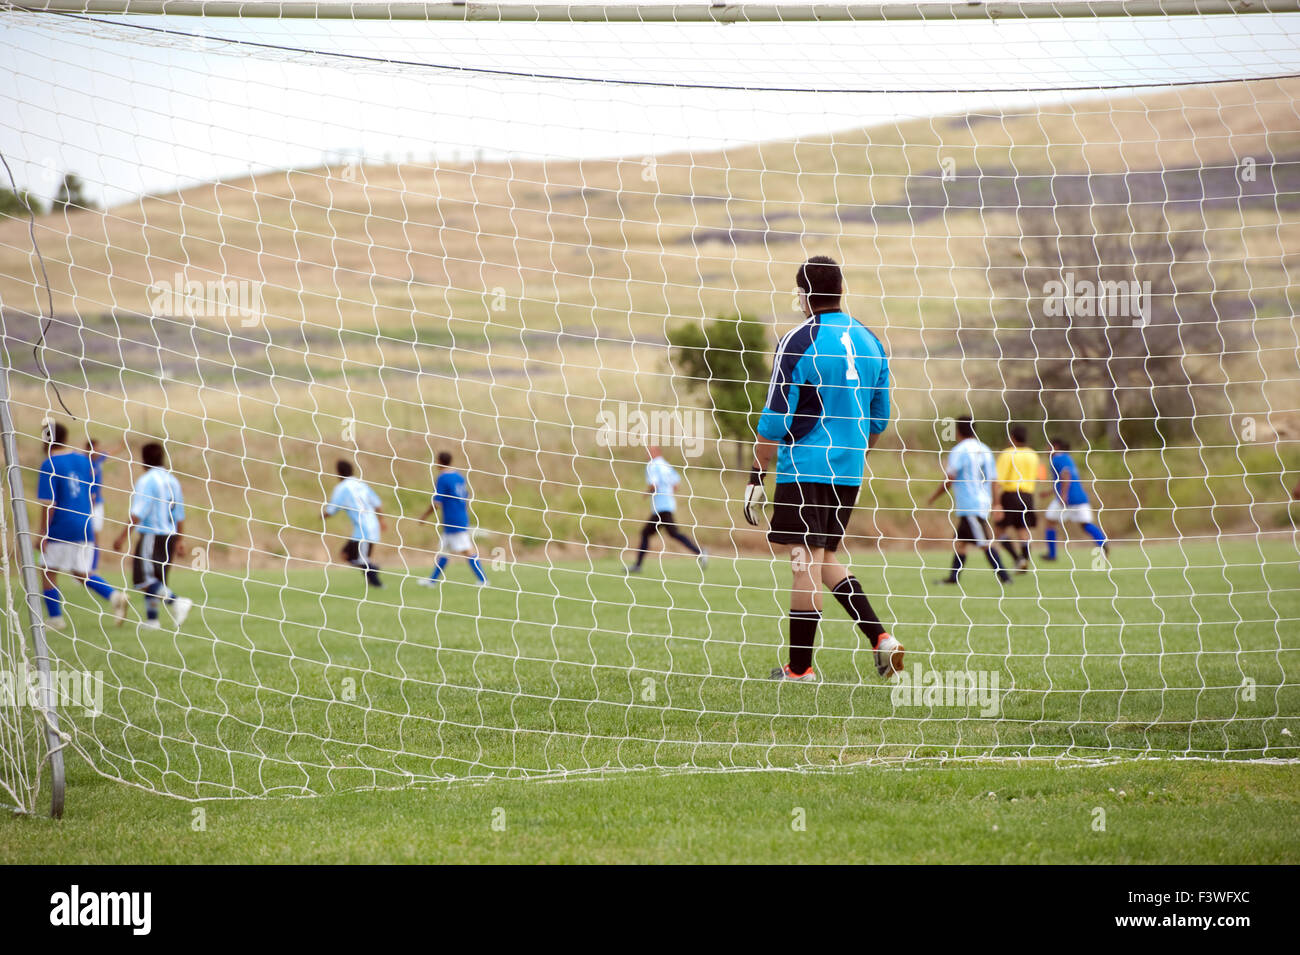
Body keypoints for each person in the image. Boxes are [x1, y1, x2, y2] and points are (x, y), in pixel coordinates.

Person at [742, 255, 903, 683]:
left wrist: (757, 475)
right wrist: (853, 455)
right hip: (848, 471)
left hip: (805, 468)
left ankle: (799, 669)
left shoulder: (797, 340)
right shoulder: (870, 340)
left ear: (804, 294)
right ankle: (880, 638)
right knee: (823, 556)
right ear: (841, 289)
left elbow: (774, 420)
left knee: (802, 563)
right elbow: (878, 419)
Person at [36, 422, 127, 629]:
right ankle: (114, 597)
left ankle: (56, 618)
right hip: (85, 524)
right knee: (81, 572)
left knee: (48, 570)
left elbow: (49, 503)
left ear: (45, 438)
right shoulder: (83, 460)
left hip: (61, 526)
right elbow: (92, 495)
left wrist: (43, 532)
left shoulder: (49, 464)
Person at [112, 442, 193, 629]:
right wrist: (180, 539)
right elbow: (179, 514)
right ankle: (152, 620)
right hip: (170, 536)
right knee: (156, 579)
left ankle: (177, 602)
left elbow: (138, 512)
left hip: (152, 535)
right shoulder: (172, 480)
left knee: (143, 579)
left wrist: (122, 537)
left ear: (144, 459)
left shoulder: (147, 481)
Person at [926, 415, 1011, 585]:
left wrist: (934, 496)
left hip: (970, 504)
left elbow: (950, 477)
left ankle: (1005, 577)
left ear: (957, 430)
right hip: (982, 502)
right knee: (960, 543)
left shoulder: (959, 450)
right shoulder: (985, 449)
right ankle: (953, 578)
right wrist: (996, 503)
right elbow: (994, 481)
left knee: (984, 542)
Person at [625, 445, 706, 574]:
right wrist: (667, 492)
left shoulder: (652, 465)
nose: (647, 455)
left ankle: (638, 565)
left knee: (646, 533)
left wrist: (647, 493)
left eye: (649, 452)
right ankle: (699, 552)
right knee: (672, 533)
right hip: (668, 505)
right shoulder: (666, 465)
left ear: (656, 452)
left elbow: (654, 485)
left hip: (660, 508)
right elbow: (676, 484)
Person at [418, 451, 487, 586]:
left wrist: (424, 516)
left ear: (438, 461)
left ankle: (483, 579)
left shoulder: (443, 478)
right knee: (444, 551)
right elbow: (465, 497)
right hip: (460, 517)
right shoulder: (459, 476)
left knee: (467, 550)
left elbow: (437, 502)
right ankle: (432, 581)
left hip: (453, 520)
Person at [1042, 437, 1108, 559]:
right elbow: (1062, 480)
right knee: (1085, 524)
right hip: (1081, 497)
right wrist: (1049, 492)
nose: (1046, 449)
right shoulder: (1067, 458)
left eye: (1048, 446)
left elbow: (1066, 475)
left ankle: (1052, 554)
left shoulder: (1057, 458)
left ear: (1055, 447)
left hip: (1066, 499)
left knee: (1049, 521)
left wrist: (1064, 495)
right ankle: (1103, 542)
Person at [324, 459, 384, 588]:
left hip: (364, 529)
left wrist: (322, 515)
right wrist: (382, 521)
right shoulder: (361, 484)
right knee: (347, 555)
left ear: (338, 473)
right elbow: (377, 503)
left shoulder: (342, 487)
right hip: (370, 526)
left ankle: (377, 580)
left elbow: (331, 509)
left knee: (361, 560)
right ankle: (373, 577)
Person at [992, 424, 1039, 573]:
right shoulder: (1033, 454)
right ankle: (1024, 561)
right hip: (1028, 496)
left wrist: (996, 503)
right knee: (1023, 530)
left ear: (1012, 438)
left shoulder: (1008, 454)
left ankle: (1018, 559)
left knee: (999, 530)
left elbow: (997, 480)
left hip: (1011, 495)